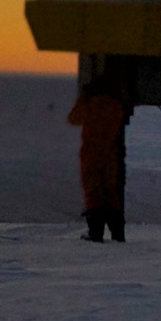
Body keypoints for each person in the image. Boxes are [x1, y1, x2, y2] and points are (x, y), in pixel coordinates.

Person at [69, 79, 132, 242]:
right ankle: (117, 233)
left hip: (92, 153)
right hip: (110, 154)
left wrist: (83, 99)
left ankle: (95, 232)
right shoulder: (116, 106)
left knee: (93, 192)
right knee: (110, 193)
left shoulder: (90, 105)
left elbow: (74, 118)